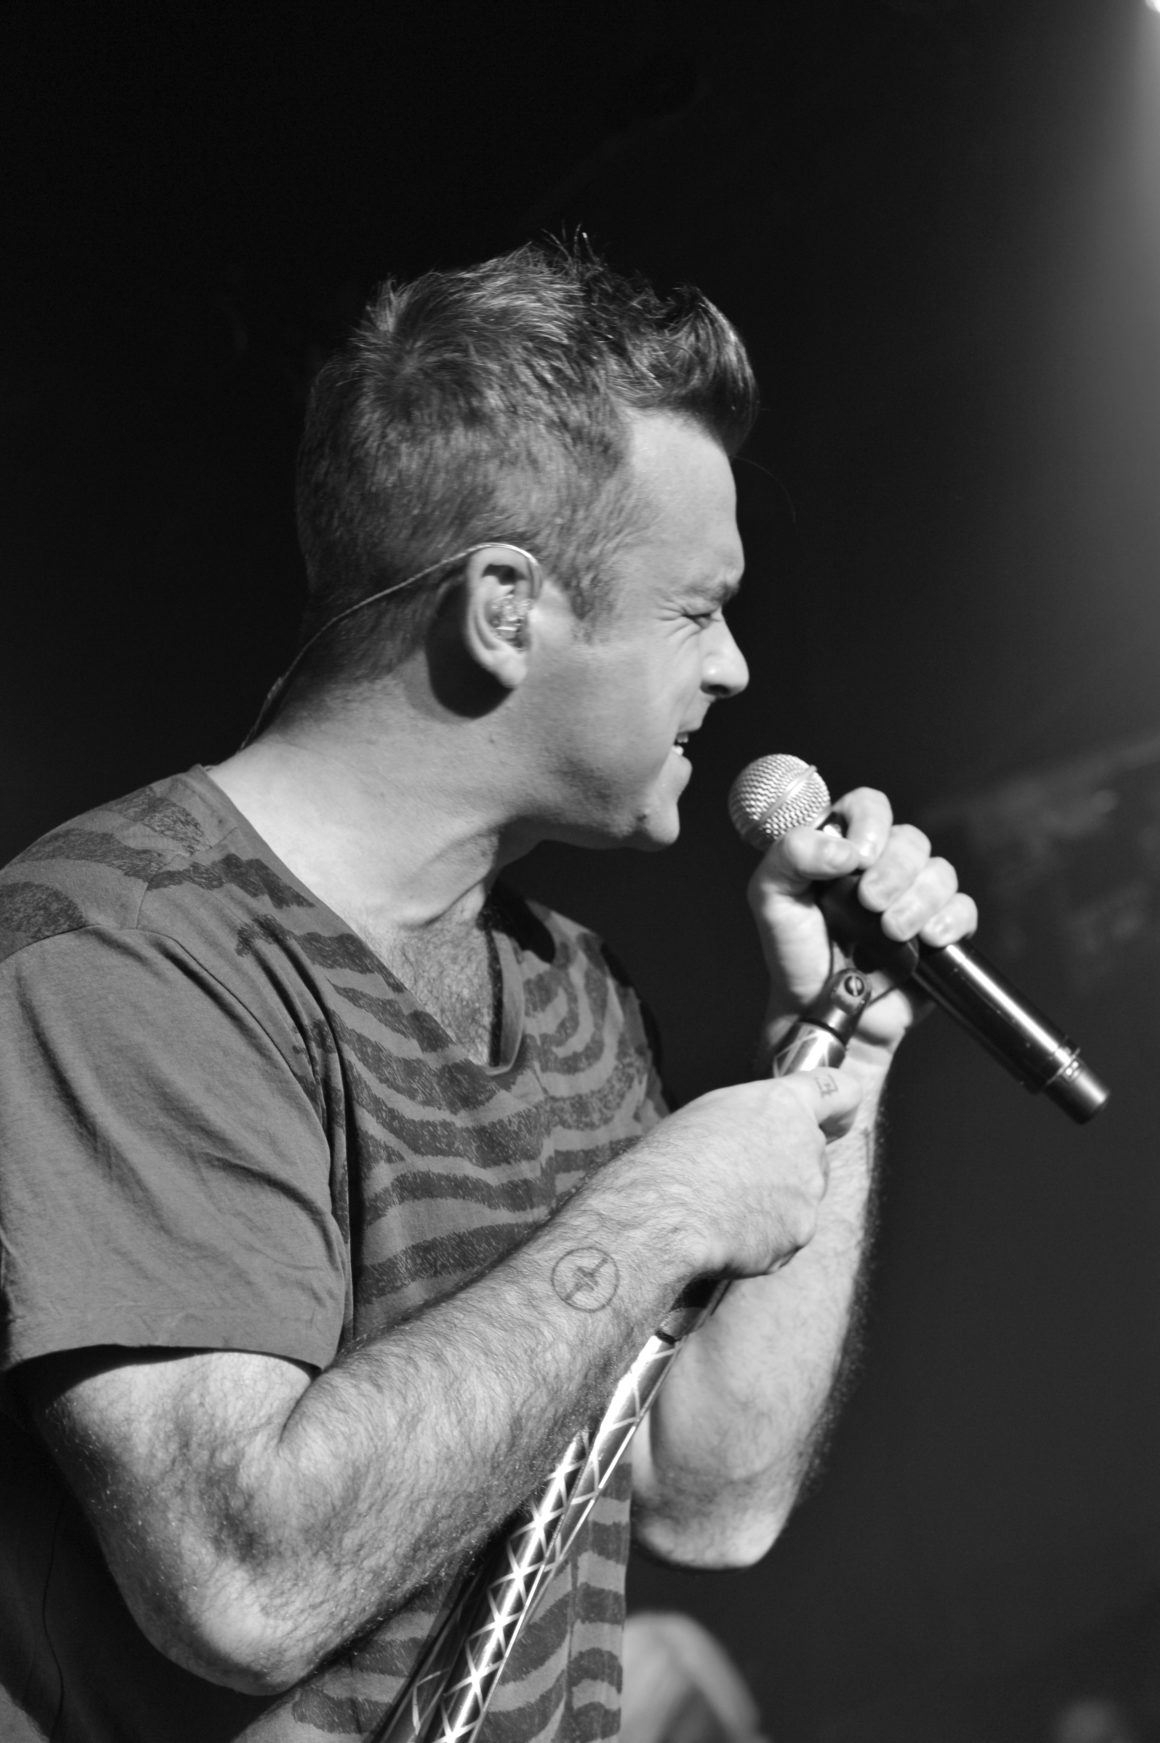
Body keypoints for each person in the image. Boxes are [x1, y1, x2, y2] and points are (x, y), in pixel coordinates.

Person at [0, 241, 975, 1743]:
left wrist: (833, 1045)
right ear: (506, 609)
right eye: (695, 609)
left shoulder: (574, 987)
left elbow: (710, 1498)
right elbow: (245, 1579)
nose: (734, 667)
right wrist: (658, 1212)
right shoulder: (119, 949)